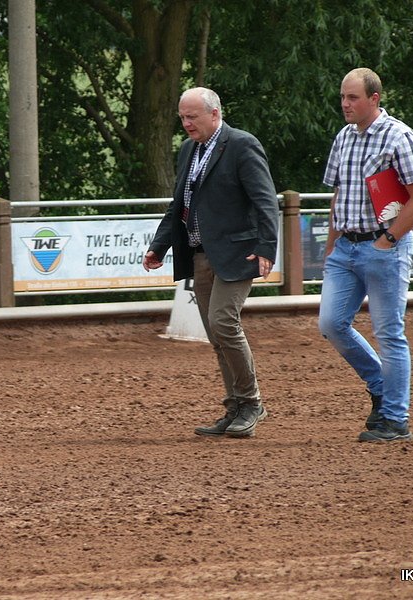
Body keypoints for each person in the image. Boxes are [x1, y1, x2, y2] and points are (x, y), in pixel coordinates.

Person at [143, 87, 279, 438]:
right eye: (182, 117)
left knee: (223, 321)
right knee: (215, 334)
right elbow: (180, 203)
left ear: (214, 114)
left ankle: (252, 403)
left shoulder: (242, 145)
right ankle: (234, 408)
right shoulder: (189, 149)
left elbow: (265, 201)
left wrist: (266, 246)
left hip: (237, 252)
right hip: (200, 252)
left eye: (192, 117)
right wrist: (160, 245)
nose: (186, 124)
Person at [319, 68, 413, 443]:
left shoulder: (400, 137)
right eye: (342, 97)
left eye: (352, 98)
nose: (345, 104)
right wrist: (332, 244)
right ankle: (382, 387)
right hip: (346, 246)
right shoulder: (343, 138)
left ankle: (396, 419)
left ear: (374, 99)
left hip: (384, 247)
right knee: (331, 324)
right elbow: (340, 194)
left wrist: (387, 240)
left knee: (389, 333)